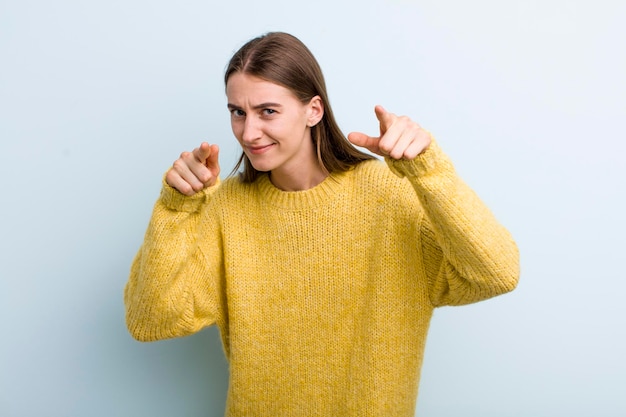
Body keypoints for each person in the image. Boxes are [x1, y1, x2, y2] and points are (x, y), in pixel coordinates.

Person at [124, 31, 520, 416]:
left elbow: (497, 273)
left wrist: (429, 171)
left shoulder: (389, 194)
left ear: (313, 110)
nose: (248, 132)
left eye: (268, 111)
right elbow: (151, 321)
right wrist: (175, 209)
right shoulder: (224, 207)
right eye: (237, 112)